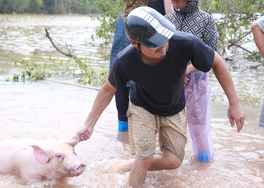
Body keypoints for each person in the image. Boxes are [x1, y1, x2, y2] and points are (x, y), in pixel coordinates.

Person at [76, 6, 245, 188]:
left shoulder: (185, 43)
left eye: (164, 39)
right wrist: (89, 124)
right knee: (144, 158)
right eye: (154, 43)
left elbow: (217, 62)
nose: (162, 46)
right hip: (142, 106)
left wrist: (234, 103)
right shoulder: (125, 61)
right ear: (135, 44)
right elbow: (108, 89)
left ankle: (125, 165)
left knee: (173, 162)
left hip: (173, 107)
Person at [165, 0, 218, 162]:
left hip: (196, 81)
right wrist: (175, 74)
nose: (174, 1)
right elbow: (160, 51)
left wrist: (186, 71)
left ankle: (203, 165)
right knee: (168, 124)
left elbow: (212, 53)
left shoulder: (206, 20)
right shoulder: (167, 19)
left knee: (198, 125)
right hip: (171, 80)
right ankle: (169, 163)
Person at [110, 0, 173, 132]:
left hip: (138, 22)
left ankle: (125, 133)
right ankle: (126, 131)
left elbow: (170, 14)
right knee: (124, 72)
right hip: (141, 23)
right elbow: (170, 14)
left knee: (125, 73)